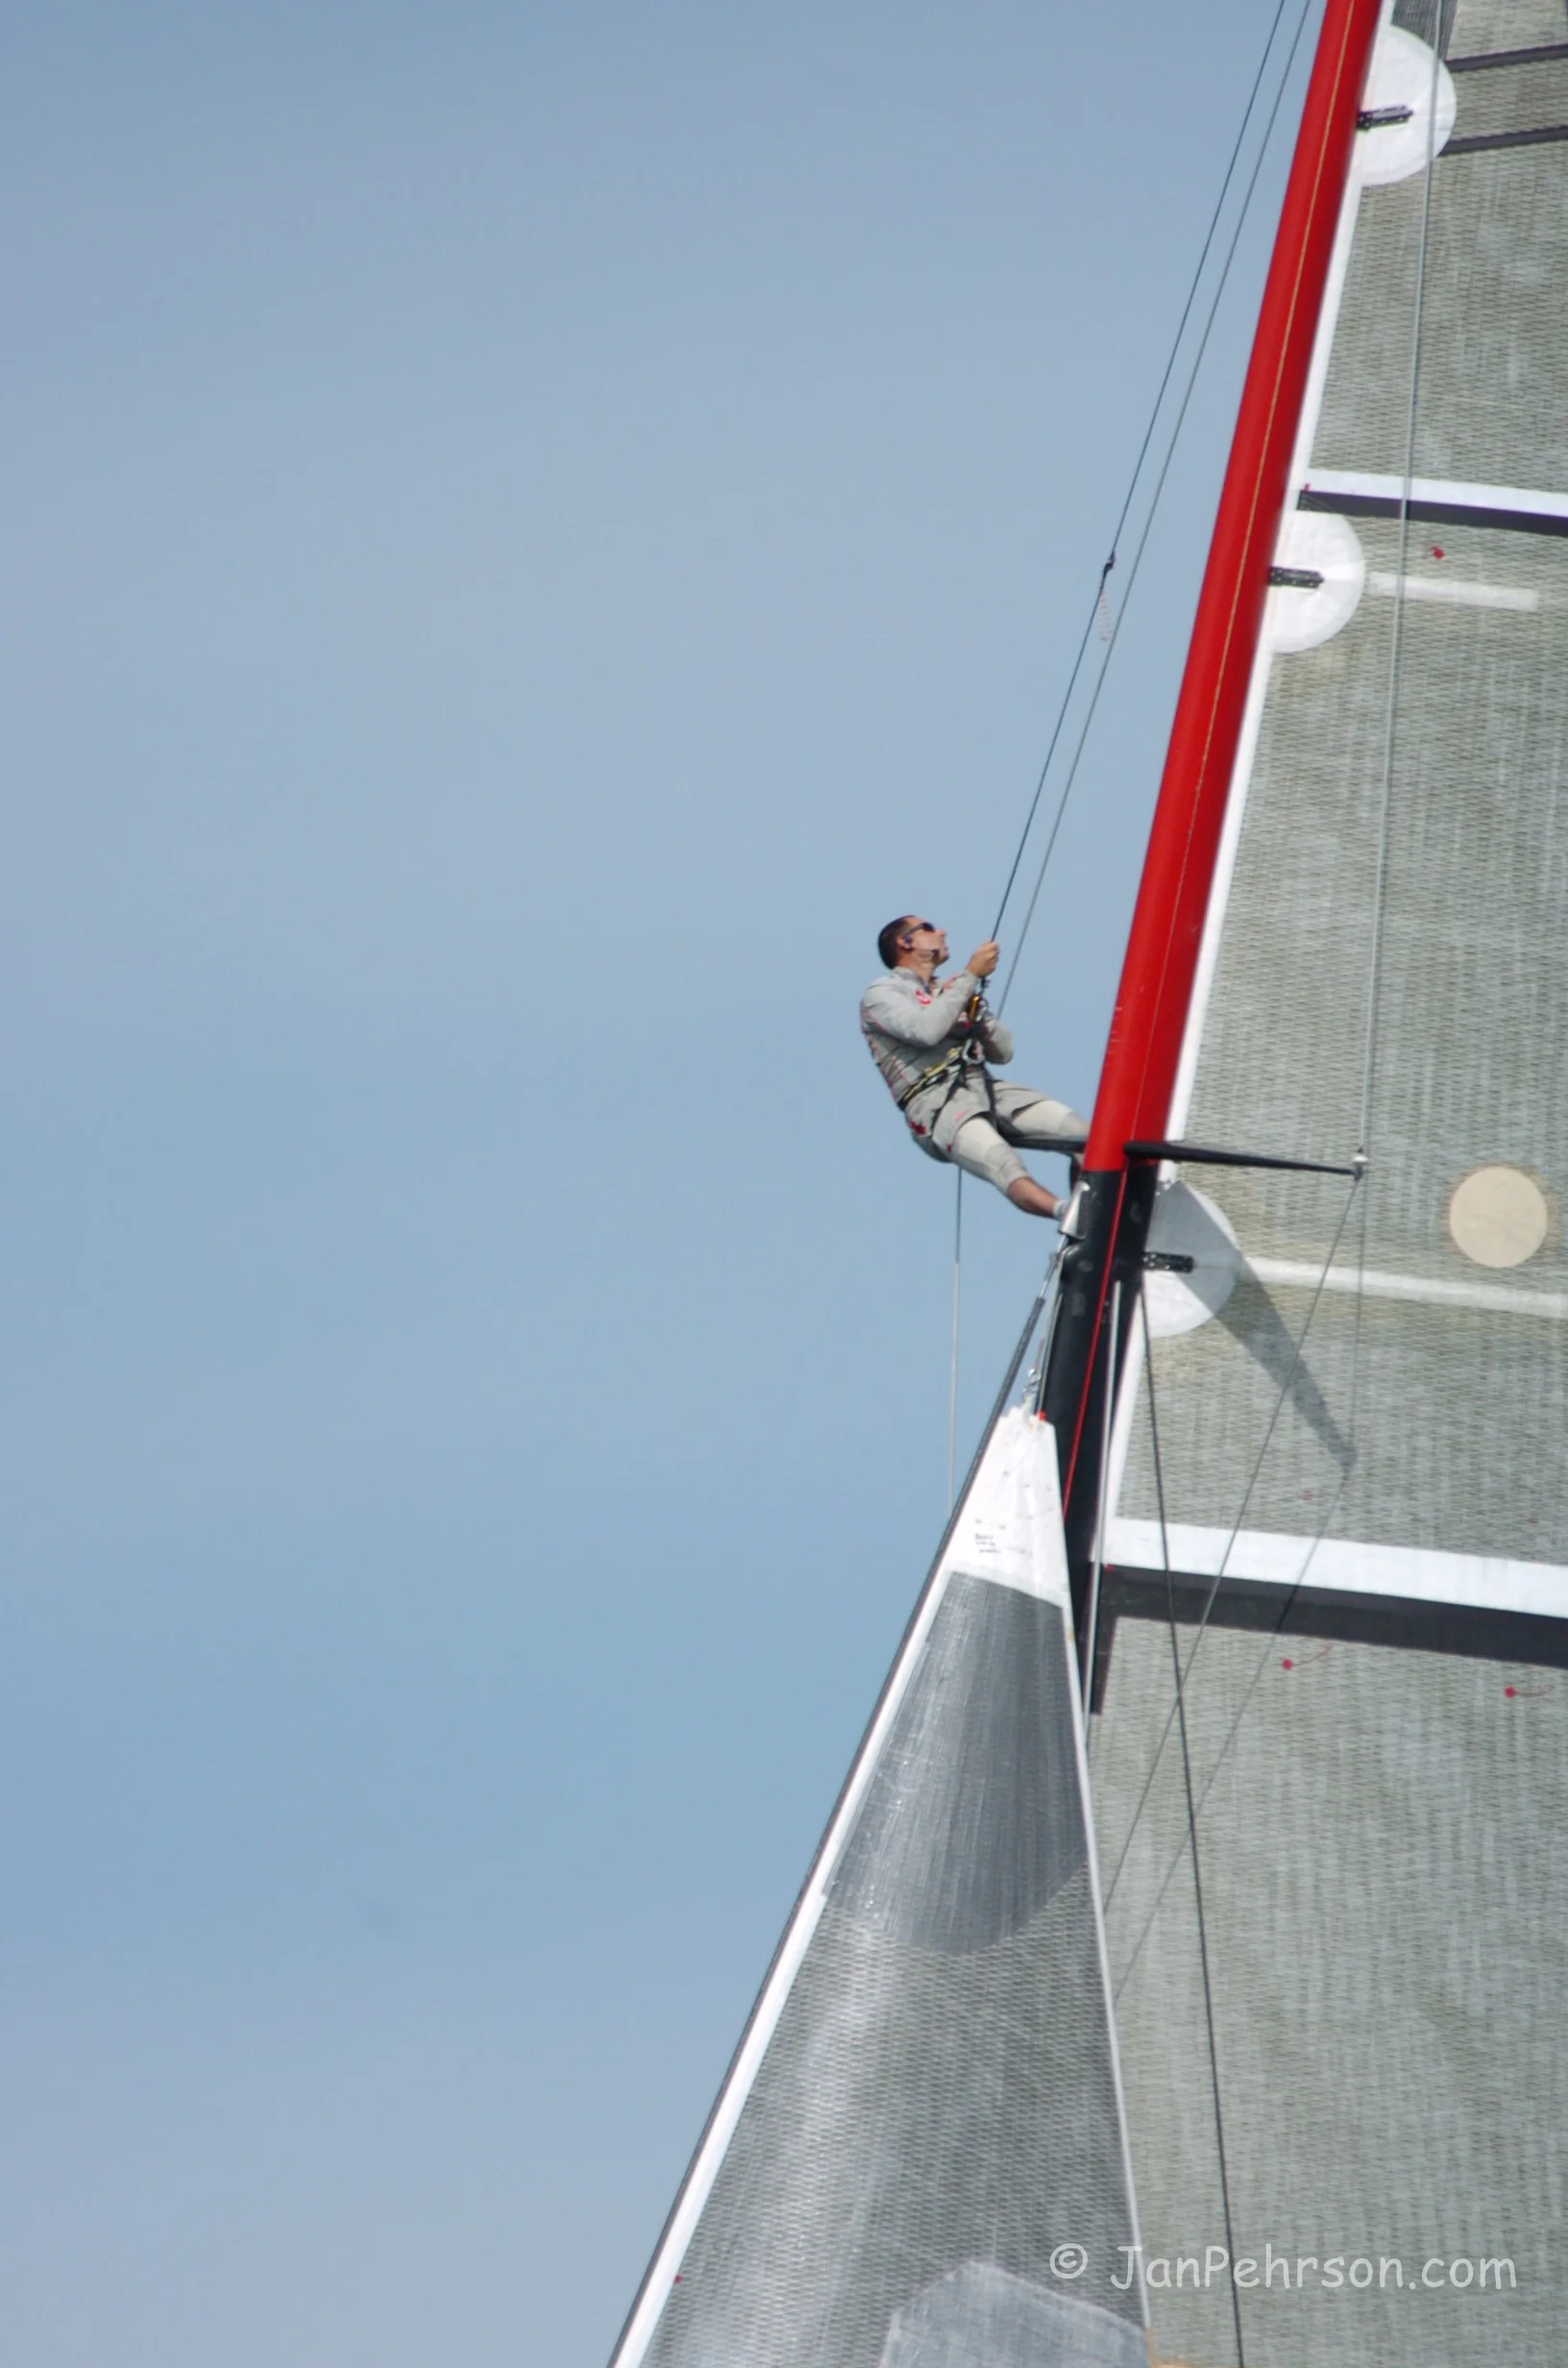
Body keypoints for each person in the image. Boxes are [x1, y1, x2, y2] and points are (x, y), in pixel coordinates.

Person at [860, 916, 1086, 1218]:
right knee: (1003, 1162)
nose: (942, 931)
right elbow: (925, 1030)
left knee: (1084, 1136)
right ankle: (1071, 1217)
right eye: (928, 927)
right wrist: (968, 977)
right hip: (936, 1103)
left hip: (981, 1084)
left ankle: (1099, 1210)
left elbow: (1004, 1051)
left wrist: (975, 1014)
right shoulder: (882, 993)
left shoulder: (948, 990)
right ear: (905, 942)